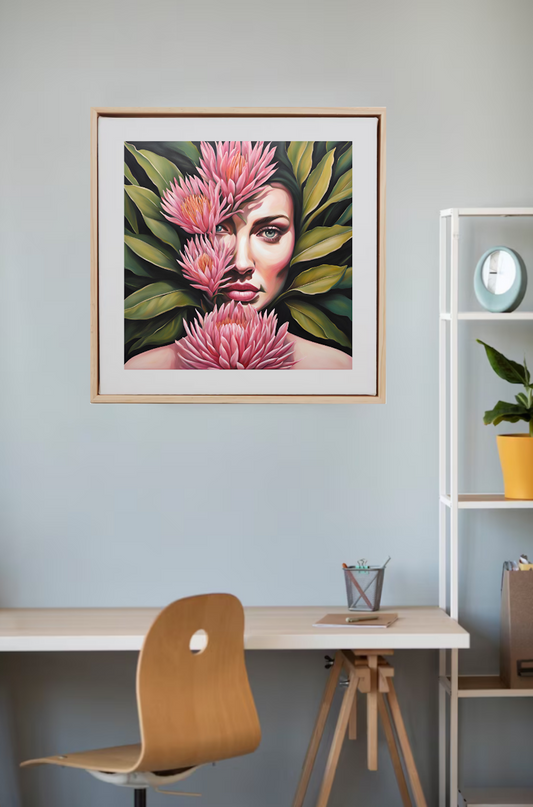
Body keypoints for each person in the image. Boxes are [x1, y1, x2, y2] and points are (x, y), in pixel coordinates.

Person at [125, 146, 352, 371]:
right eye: (219, 229)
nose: (241, 264)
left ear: (297, 240)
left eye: (270, 232)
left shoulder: (338, 369)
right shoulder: (142, 371)